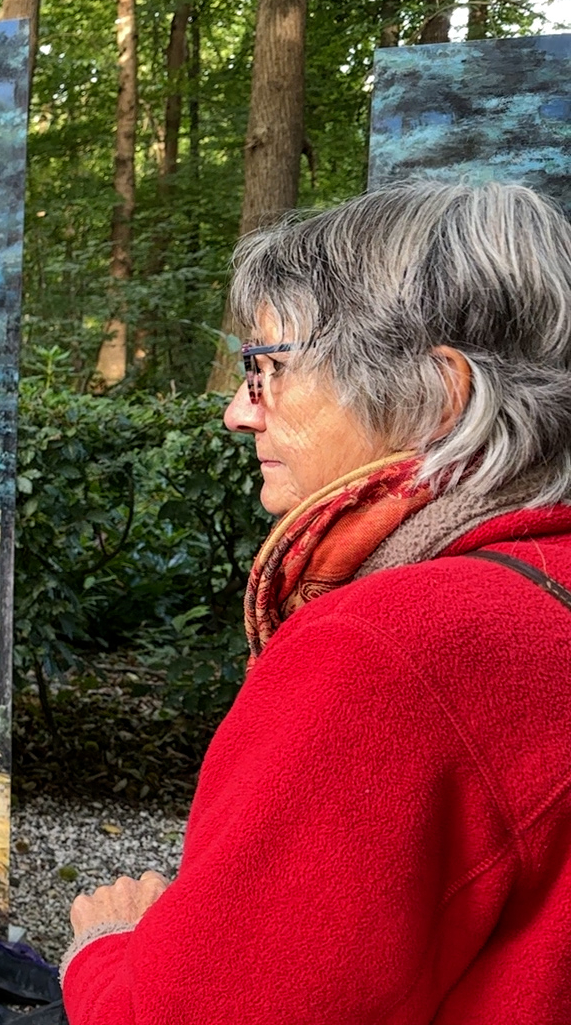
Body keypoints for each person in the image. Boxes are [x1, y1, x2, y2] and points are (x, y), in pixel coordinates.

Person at [60, 180, 571, 1022]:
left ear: (437, 395)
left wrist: (110, 949)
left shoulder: (395, 648)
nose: (235, 413)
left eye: (266, 369)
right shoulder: (538, 589)